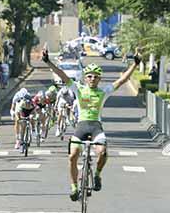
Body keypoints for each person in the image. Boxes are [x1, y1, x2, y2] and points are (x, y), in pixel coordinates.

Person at [42, 48, 141, 201]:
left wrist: (135, 65)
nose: (92, 79)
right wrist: (48, 61)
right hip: (81, 126)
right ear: (85, 78)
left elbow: (121, 81)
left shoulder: (104, 91)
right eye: (89, 76)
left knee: (102, 152)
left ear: (99, 79)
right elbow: (62, 74)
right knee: (73, 156)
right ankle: (74, 186)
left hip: (96, 127)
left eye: (95, 76)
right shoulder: (78, 88)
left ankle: (97, 175)